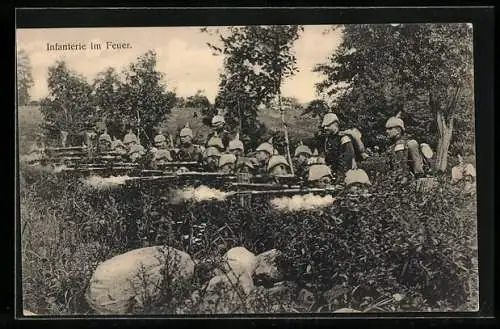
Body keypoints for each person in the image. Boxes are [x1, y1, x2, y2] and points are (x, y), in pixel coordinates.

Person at [384, 112, 425, 182]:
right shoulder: (395, 145)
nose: (387, 131)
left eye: (390, 129)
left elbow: (401, 165)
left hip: (404, 179)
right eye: (387, 129)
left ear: (398, 130)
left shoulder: (402, 144)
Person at [317, 110, 356, 182]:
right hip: (332, 173)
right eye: (324, 126)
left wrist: (339, 176)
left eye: (328, 125)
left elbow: (347, 159)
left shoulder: (344, 138)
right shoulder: (328, 139)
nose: (325, 128)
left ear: (335, 124)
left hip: (345, 174)